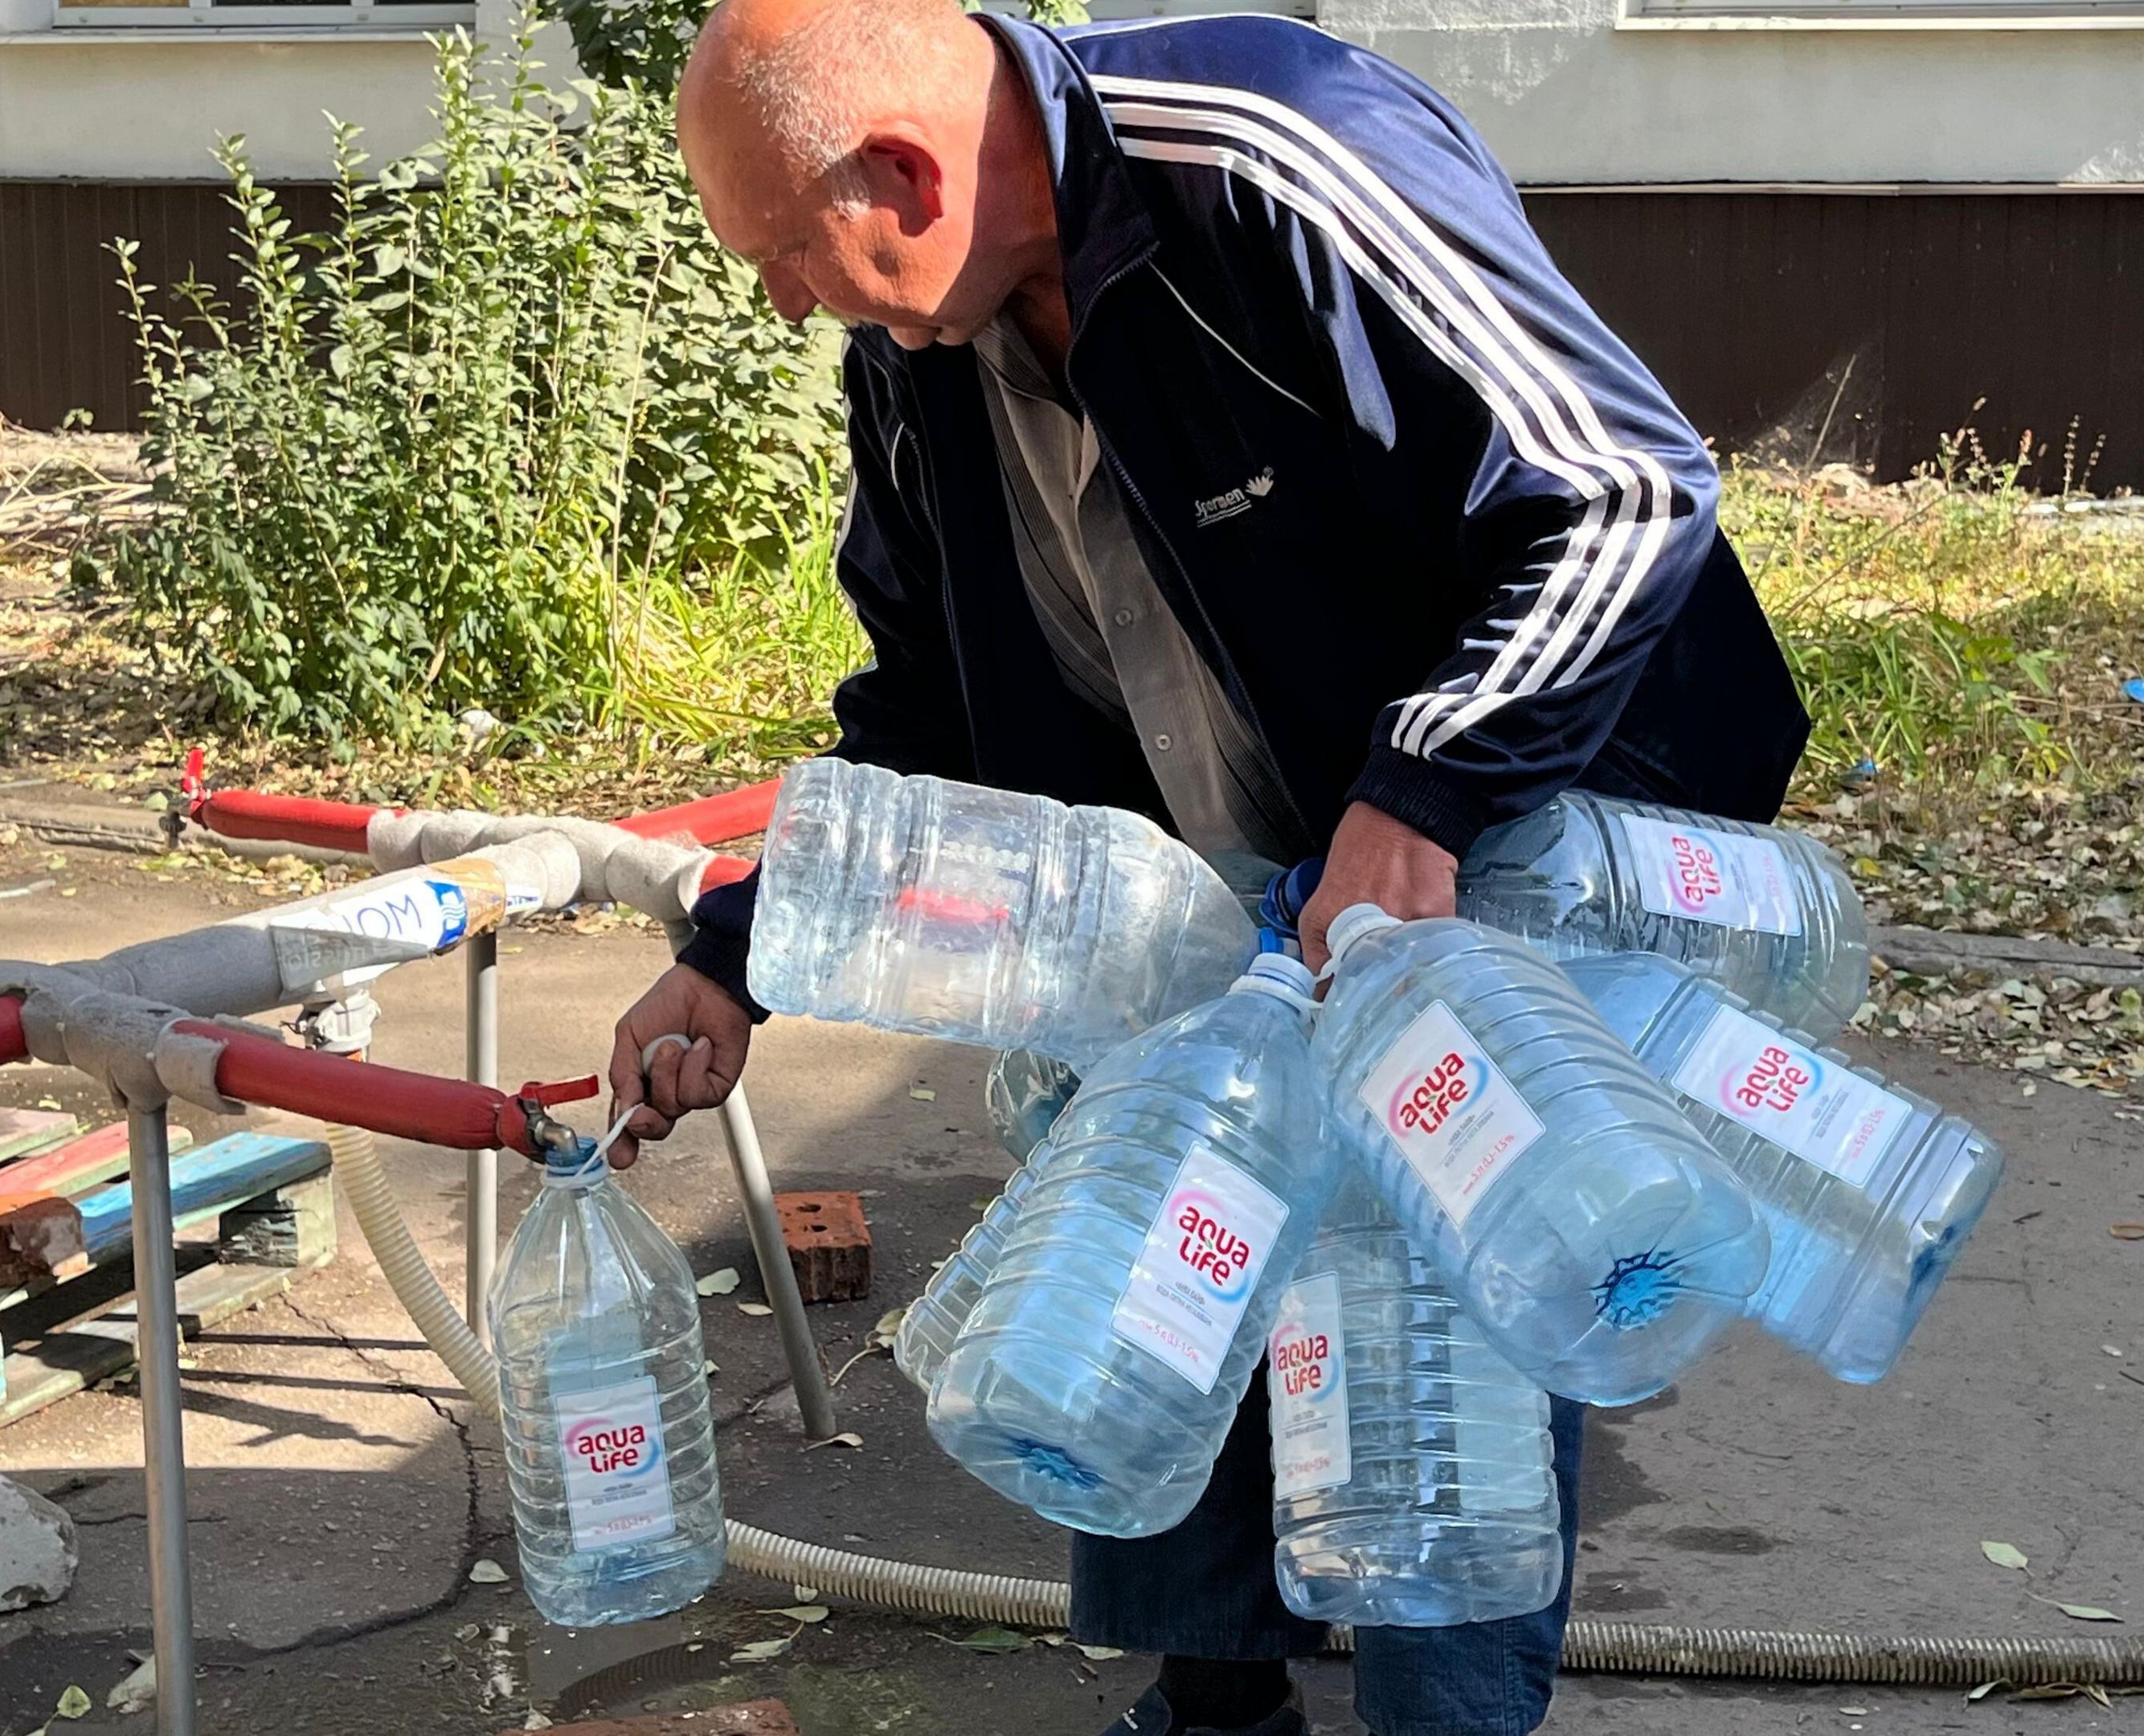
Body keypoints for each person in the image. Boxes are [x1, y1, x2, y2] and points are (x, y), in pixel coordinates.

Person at [607, 2, 1811, 1730]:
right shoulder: (918, 357)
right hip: (1198, 883)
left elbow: (1622, 484)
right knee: (1165, 1242)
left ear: (904, 172)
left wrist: (1429, 794)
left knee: (1433, 1299)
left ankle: (1441, 1715)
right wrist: (736, 949)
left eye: (784, 251)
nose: (786, 301)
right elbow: (922, 705)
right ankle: (1213, 1704)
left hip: (1489, 817)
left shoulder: (1273, 154)